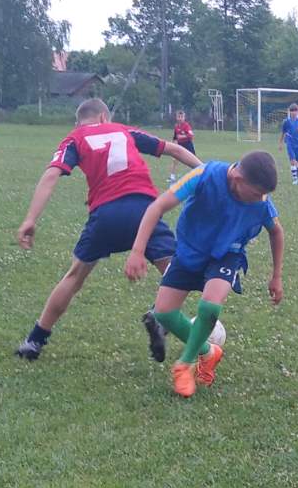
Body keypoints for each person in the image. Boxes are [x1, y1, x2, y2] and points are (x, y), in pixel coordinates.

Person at [13, 98, 200, 362]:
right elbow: (175, 150)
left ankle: (34, 341)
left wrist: (30, 219)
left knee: (74, 277)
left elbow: (52, 174)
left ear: (79, 122)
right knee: (179, 272)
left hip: (105, 215)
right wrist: (207, 173)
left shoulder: (74, 138)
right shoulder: (124, 130)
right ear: (104, 117)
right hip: (144, 211)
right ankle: (158, 315)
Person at [124, 151, 283, 398]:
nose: (260, 199)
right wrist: (137, 250)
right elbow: (157, 207)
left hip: (227, 254)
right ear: (238, 178)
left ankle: (184, 365)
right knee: (163, 313)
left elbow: (276, 232)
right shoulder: (204, 176)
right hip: (189, 251)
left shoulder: (261, 202)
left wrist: (276, 276)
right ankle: (208, 352)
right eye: (255, 194)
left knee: (210, 306)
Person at [279, 103, 298, 184]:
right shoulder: (286, 122)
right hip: (290, 142)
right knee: (293, 161)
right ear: (289, 112)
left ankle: (296, 174)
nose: (293, 112)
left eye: (295, 111)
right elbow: (283, 133)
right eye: (292, 111)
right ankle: (295, 179)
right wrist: (280, 143)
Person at [167, 109, 196, 184]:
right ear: (176, 117)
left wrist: (182, 136)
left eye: (181, 117)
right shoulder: (176, 126)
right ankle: (172, 177)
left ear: (184, 117)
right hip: (180, 145)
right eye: (178, 117)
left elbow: (191, 135)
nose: (180, 118)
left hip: (188, 145)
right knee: (175, 160)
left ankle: (196, 175)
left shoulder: (186, 126)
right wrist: (172, 144)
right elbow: (175, 137)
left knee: (193, 160)